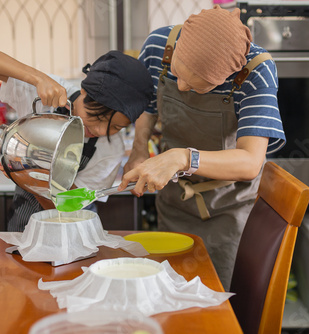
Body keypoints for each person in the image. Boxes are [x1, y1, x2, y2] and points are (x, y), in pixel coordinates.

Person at [118, 5, 286, 289]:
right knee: (169, 294)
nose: (181, 87)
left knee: (215, 302)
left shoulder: (257, 72)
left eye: (198, 86)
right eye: (177, 74)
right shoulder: (159, 45)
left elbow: (250, 161)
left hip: (227, 209)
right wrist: (138, 151)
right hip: (173, 204)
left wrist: (184, 157)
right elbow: (148, 107)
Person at [0, 46, 153, 232]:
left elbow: (68, 207)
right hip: (23, 227)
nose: (100, 130)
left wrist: (34, 175)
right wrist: (38, 79)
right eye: (98, 117)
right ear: (85, 91)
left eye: (116, 127)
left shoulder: (111, 149)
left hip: (73, 230)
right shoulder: (46, 96)